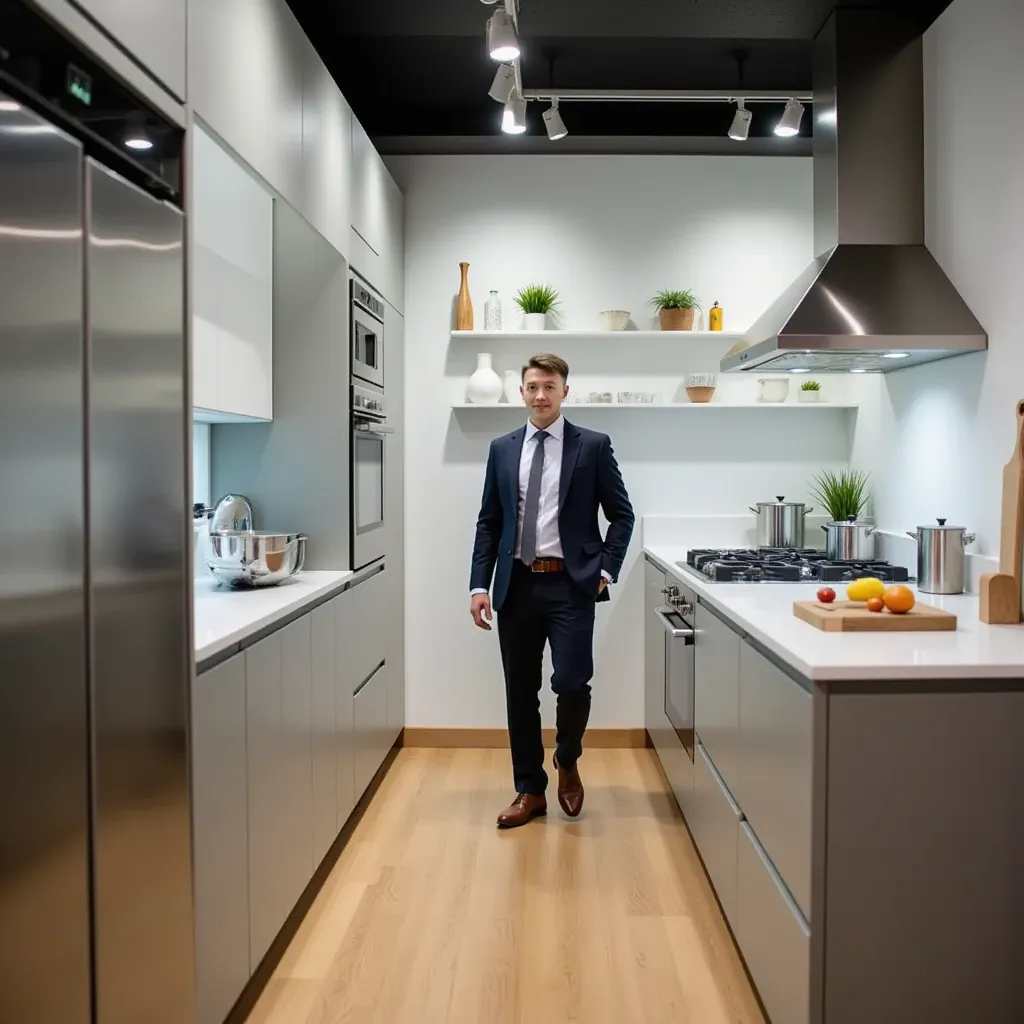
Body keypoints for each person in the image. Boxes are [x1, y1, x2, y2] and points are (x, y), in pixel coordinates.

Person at [469, 353, 635, 828]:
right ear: (521, 391)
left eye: (549, 386)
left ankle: (567, 757)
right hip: (515, 586)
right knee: (520, 693)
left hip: (571, 585)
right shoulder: (502, 448)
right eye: (532, 386)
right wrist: (479, 584)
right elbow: (489, 522)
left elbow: (622, 515)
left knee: (570, 681)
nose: (540, 394)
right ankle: (529, 789)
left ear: (566, 391)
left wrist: (606, 569)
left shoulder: (593, 446)